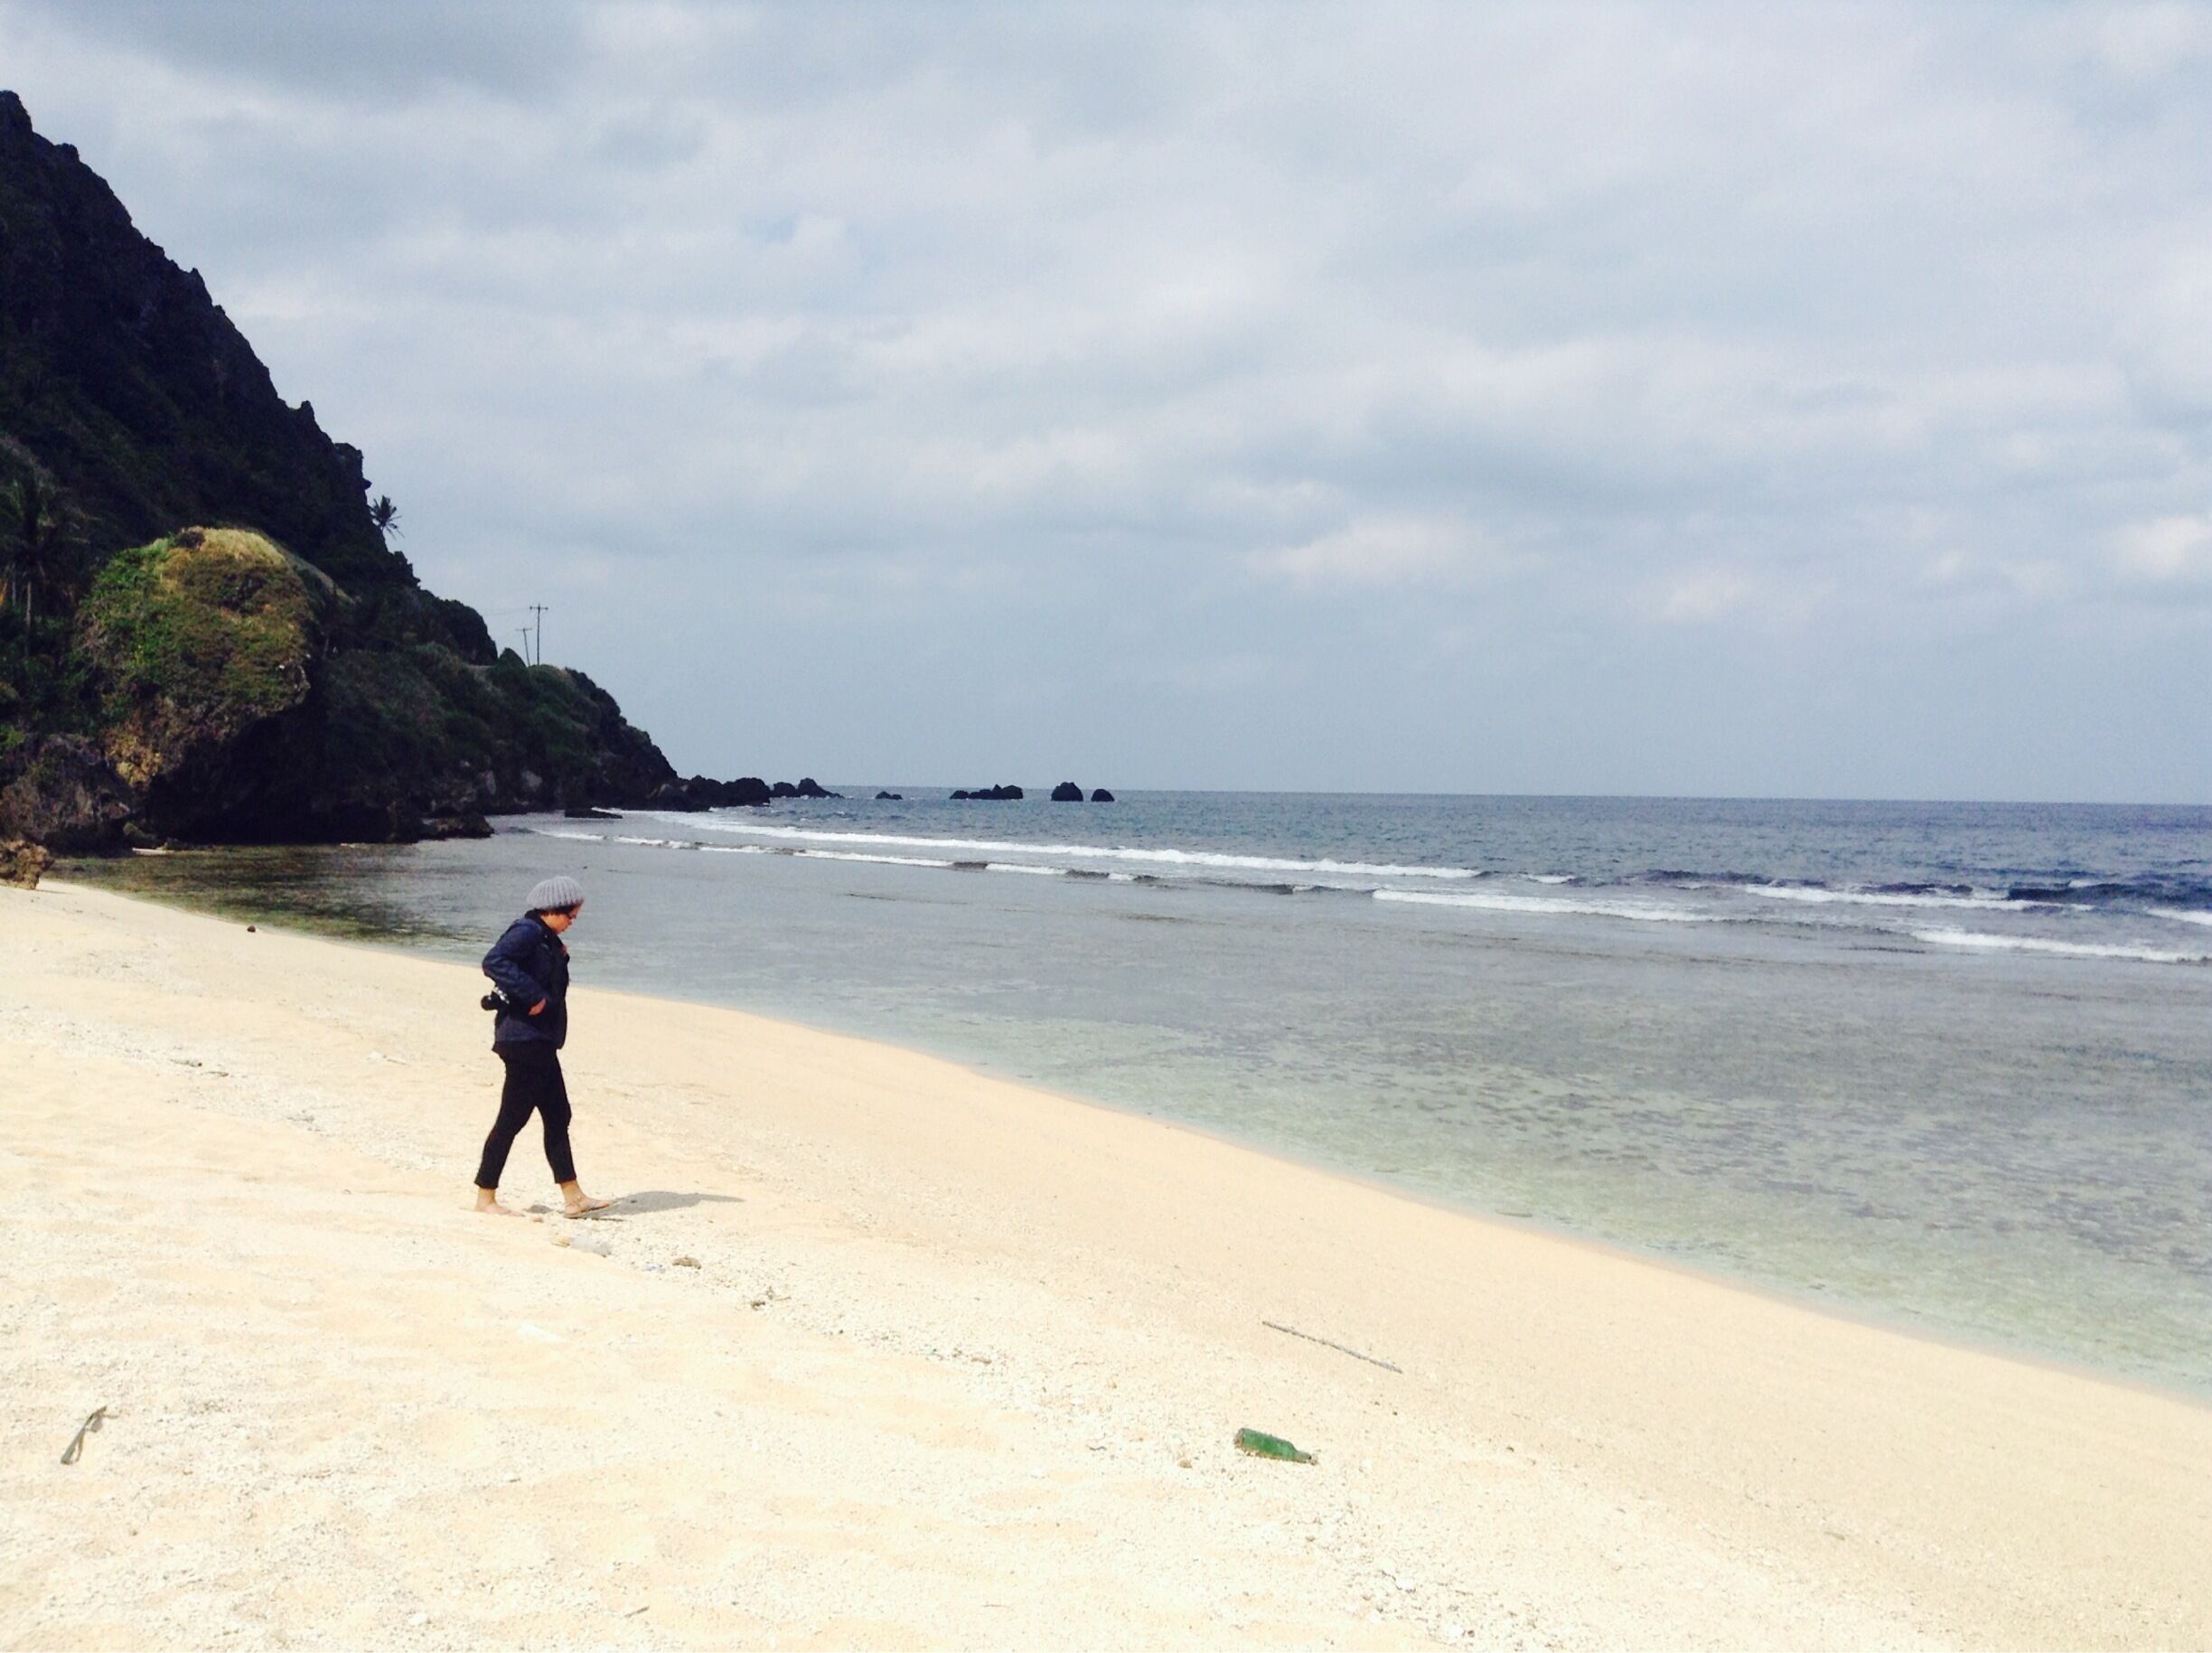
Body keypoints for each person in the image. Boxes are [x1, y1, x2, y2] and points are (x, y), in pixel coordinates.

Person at [473, 875, 614, 1218]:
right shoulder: (528, 931)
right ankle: (485, 1198)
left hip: (536, 1041)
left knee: (557, 1114)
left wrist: (557, 956)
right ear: (552, 910)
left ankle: (573, 1197)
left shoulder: (545, 938)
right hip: (523, 1040)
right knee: (512, 1119)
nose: (572, 923)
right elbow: (494, 961)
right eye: (570, 916)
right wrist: (532, 995)